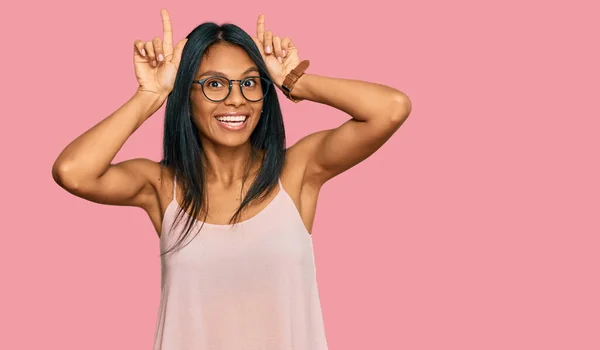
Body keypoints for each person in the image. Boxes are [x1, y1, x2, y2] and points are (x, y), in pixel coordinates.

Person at [52, 8, 412, 350]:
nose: (236, 99)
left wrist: (293, 81)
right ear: (186, 93)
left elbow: (391, 108)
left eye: (250, 83)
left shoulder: (297, 170)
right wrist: (150, 95)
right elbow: (73, 172)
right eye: (214, 84)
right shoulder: (162, 185)